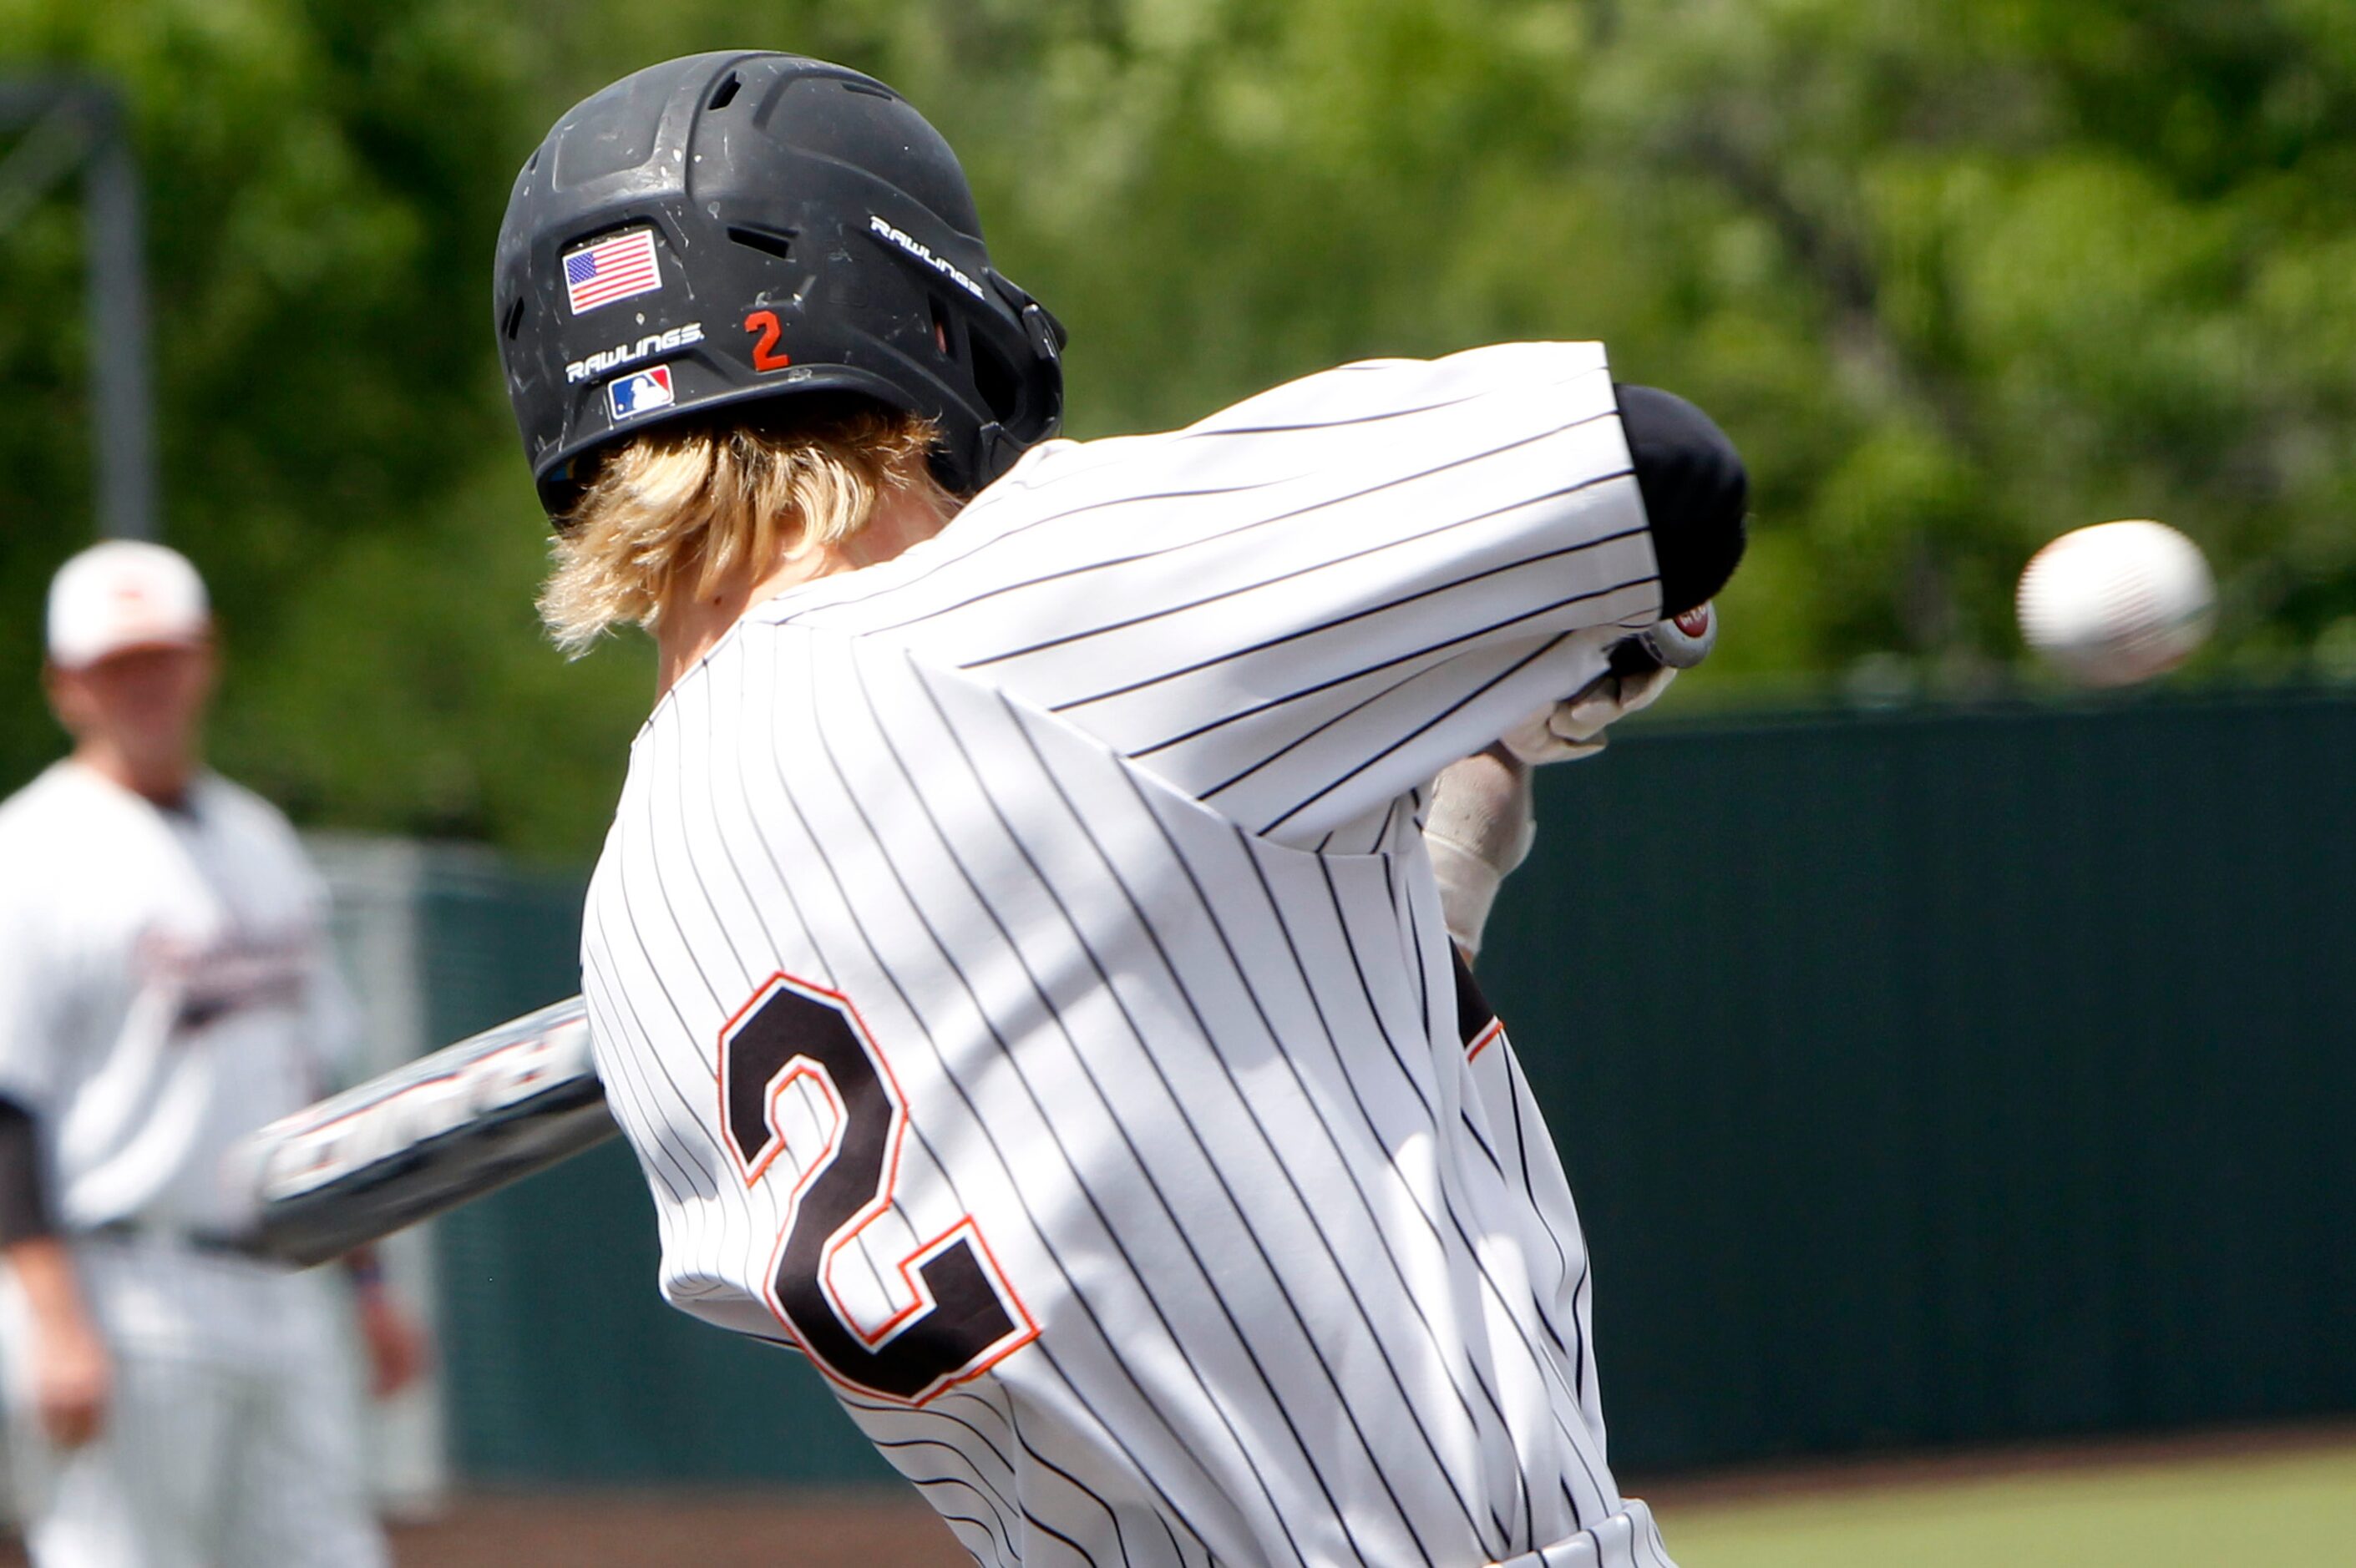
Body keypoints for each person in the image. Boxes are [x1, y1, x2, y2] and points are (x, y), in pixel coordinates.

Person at [495, 52, 1744, 1568]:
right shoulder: (1015, 598)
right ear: (910, 315)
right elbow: (1663, 471)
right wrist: (1547, 659)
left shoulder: (636, 919)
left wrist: (1408, 903)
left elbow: (1118, 1144)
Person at [0, 540, 429, 1567]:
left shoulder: (260, 839)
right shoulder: (30, 850)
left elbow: (316, 1086)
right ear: (67, 685)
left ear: (204, 659)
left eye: (163, 656)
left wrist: (368, 1288)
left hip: (287, 1281)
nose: (145, 684)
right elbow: (7, 1103)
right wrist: (54, 1322)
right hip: (123, 1282)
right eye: (117, 664)